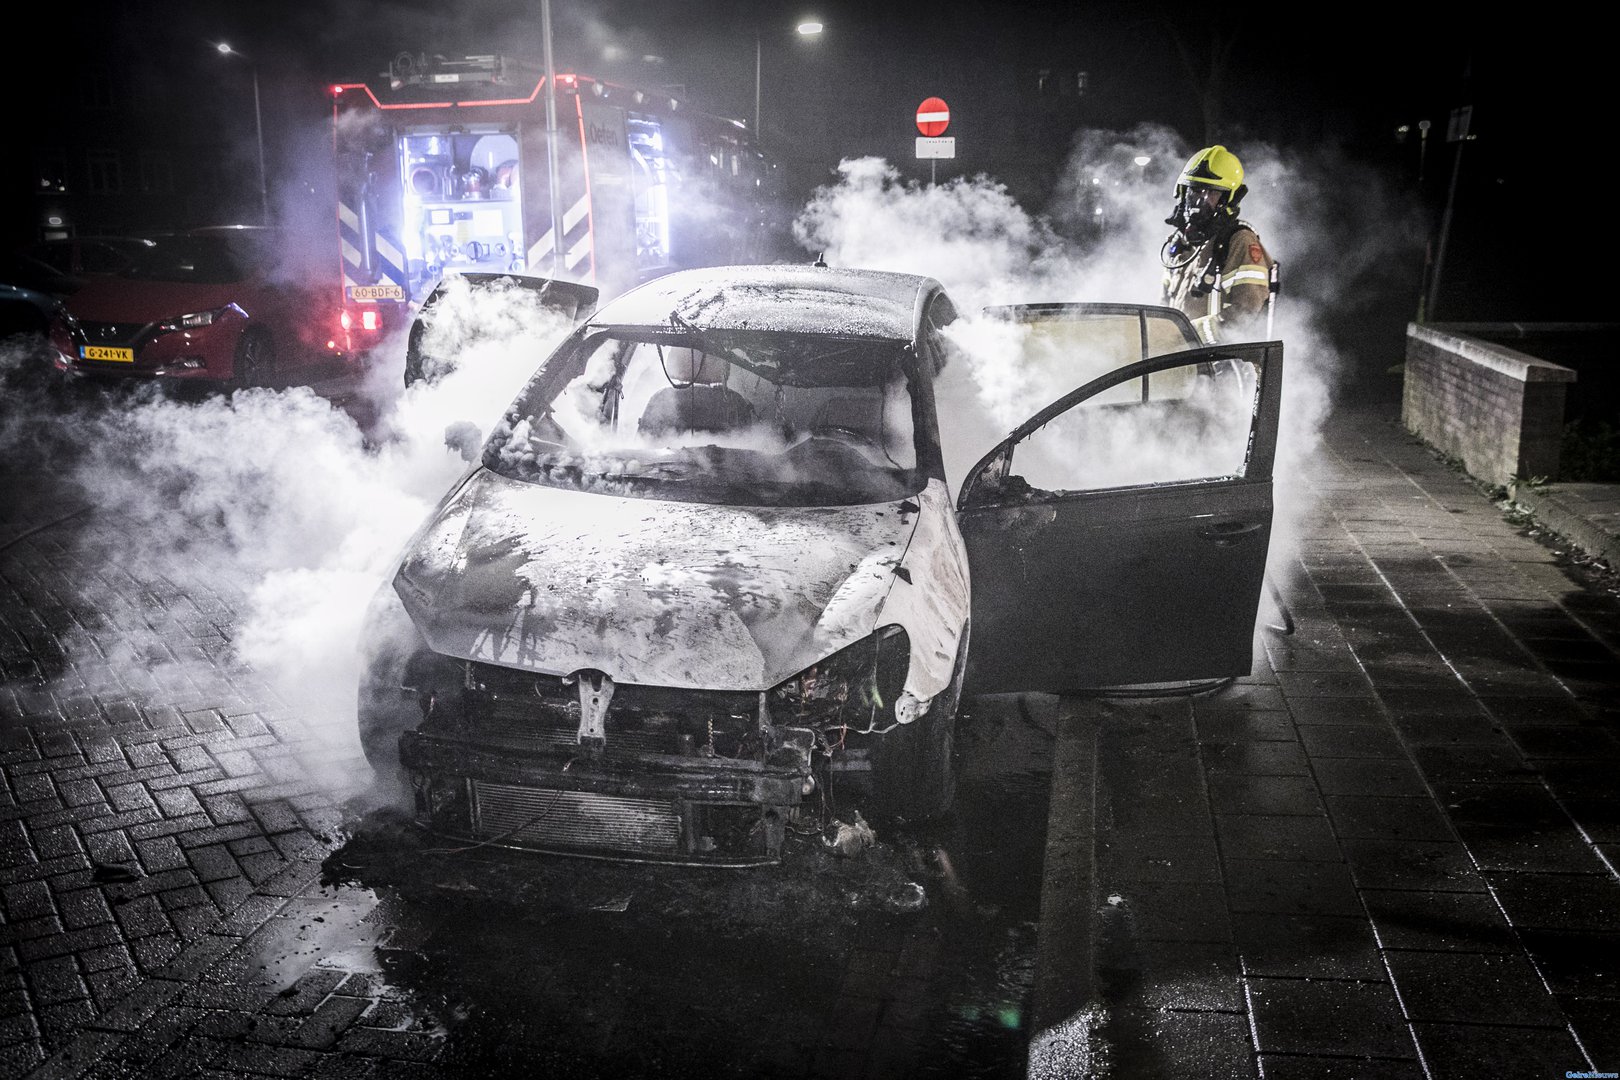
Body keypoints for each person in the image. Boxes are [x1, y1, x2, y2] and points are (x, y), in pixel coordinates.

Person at [1160, 145, 1276, 344]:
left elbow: (1246, 312)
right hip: (1179, 363)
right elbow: (1165, 304)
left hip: (1221, 366)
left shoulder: (1238, 241)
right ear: (1182, 192)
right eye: (1195, 191)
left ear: (1228, 199)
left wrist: (1189, 336)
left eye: (1211, 194)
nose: (1199, 201)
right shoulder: (1180, 244)